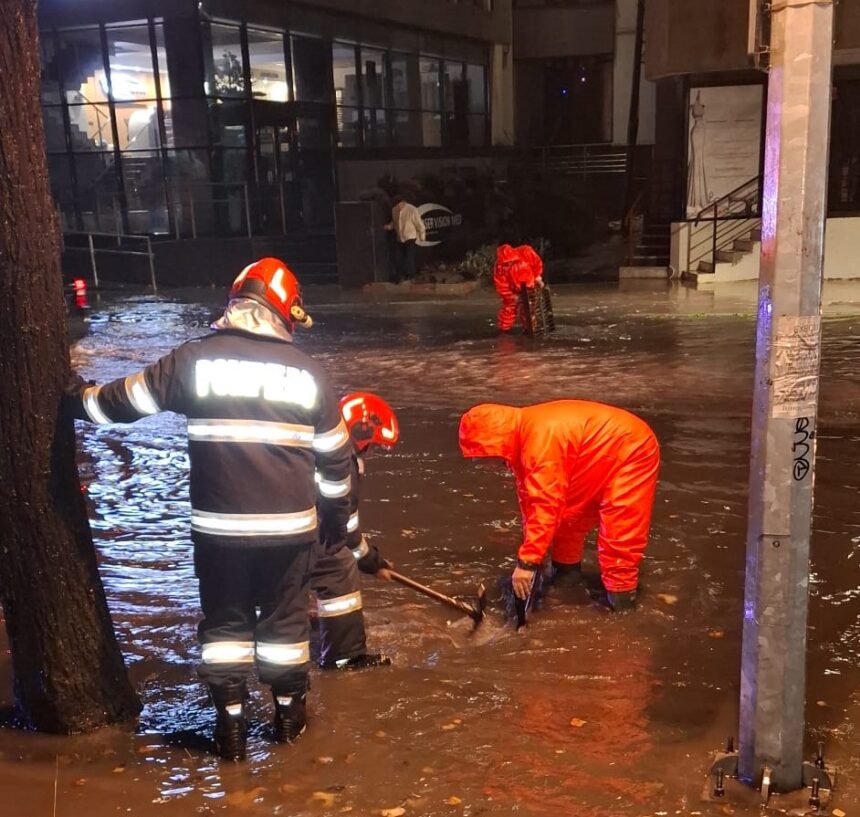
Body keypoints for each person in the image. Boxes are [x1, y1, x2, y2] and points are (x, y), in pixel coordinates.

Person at [65, 258, 352, 761]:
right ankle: (288, 722)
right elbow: (336, 459)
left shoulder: (194, 361)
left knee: (225, 626)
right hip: (290, 534)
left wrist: (76, 397)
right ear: (286, 312)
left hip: (219, 535)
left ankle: (232, 730)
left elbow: (122, 403)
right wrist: (335, 517)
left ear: (236, 301)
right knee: (285, 626)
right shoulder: (310, 374)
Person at [458, 400, 660, 612]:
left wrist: (527, 564)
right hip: (598, 448)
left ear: (495, 442)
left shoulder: (540, 442)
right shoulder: (522, 439)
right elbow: (531, 502)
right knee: (568, 517)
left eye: (483, 458)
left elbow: (545, 502)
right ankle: (567, 579)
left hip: (631, 449)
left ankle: (623, 607)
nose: (486, 466)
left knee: (620, 529)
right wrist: (531, 553)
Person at [312, 391, 399, 670]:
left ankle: (308, 625)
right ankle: (345, 657)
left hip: (276, 530)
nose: (370, 451)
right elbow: (346, 529)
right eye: (371, 445)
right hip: (304, 531)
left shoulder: (316, 443)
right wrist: (370, 562)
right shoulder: (343, 460)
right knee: (340, 568)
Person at [493, 243, 544, 332]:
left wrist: (537, 277)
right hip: (513, 289)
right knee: (509, 309)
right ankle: (503, 331)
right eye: (506, 263)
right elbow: (502, 285)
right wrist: (511, 297)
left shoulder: (525, 252)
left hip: (529, 285)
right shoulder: (500, 268)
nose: (508, 264)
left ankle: (529, 328)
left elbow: (536, 263)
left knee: (529, 308)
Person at [385, 195, 426, 282]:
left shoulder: (412, 210)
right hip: (400, 237)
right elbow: (395, 222)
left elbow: (419, 223)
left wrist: (422, 236)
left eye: (400, 204)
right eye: (397, 205)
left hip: (410, 236)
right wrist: (389, 227)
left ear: (404, 202)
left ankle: (411, 275)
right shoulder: (394, 210)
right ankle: (403, 275)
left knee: (409, 256)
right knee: (400, 257)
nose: (398, 207)